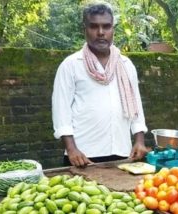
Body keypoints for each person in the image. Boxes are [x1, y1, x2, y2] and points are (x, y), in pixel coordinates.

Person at [52, 2, 149, 167]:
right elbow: (61, 112)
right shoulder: (71, 65)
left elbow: (136, 107)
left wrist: (139, 141)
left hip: (123, 154)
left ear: (113, 30)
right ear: (85, 29)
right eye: (94, 26)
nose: (101, 32)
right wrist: (71, 149)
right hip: (83, 156)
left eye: (106, 26)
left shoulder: (125, 65)